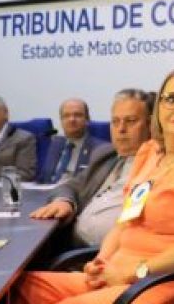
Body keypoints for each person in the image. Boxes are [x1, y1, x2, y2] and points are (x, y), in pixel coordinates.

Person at [13, 69, 174, 304]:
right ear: (159, 109)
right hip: (118, 275)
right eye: (171, 99)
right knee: (17, 287)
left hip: (166, 281)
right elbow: (124, 223)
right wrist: (99, 263)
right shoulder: (149, 153)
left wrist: (136, 271)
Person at [31, 89, 154, 247]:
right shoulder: (106, 154)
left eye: (130, 121)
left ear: (151, 125)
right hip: (69, 241)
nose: (121, 129)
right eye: (115, 121)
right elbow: (70, 186)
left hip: (106, 255)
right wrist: (64, 202)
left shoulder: (159, 163)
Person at [40, 98, 107, 184]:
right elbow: (44, 177)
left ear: (87, 119)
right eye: (66, 116)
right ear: (61, 120)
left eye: (77, 115)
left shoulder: (101, 149)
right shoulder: (55, 143)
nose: (71, 119)